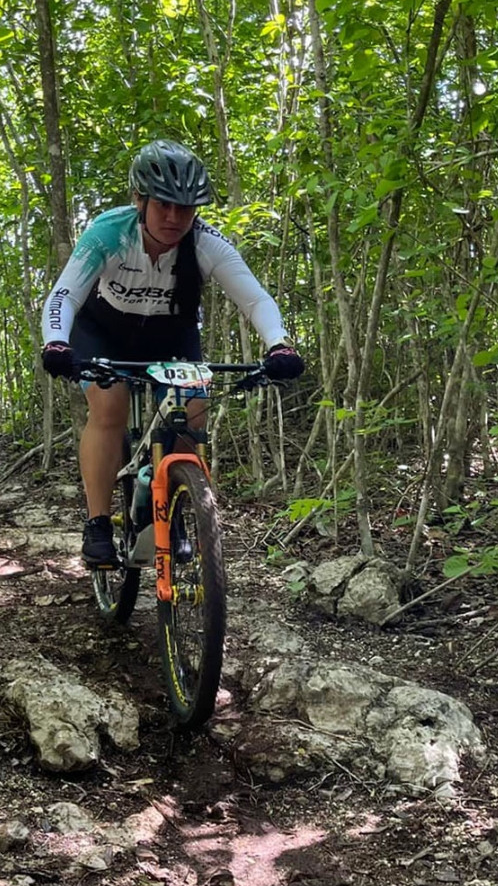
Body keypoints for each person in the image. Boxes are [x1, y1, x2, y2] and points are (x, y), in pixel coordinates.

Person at [39, 139, 304, 567]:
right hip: (103, 330)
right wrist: (56, 342)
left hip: (171, 333)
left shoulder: (205, 243)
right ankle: (98, 525)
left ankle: (176, 502)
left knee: (192, 409)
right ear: (139, 200)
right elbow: (65, 295)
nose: (175, 218)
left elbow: (255, 300)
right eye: (164, 205)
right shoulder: (109, 233)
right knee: (109, 407)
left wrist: (279, 344)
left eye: (187, 208)